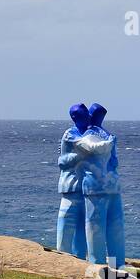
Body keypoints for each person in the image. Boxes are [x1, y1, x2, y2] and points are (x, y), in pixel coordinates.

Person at [75, 102, 126, 269]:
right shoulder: (93, 136)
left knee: (105, 227)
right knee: (104, 228)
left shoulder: (99, 135)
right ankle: (105, 265)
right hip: (102, 186)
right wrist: (110, 143)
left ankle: (111, 265)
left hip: (100, 186)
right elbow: (94, 148)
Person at [55, 103, 90, 259]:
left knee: (82, 227)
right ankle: (62, 256)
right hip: (70, 186)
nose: (88, 118)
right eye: (85, 115)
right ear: (76, 118)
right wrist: (80, 155)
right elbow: (63, 161)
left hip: (86, 188)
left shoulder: (89, 134)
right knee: (66, 221)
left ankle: (80, 258)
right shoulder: (70, 134)